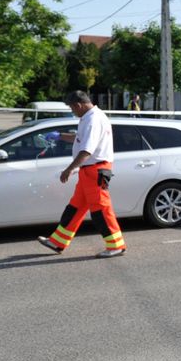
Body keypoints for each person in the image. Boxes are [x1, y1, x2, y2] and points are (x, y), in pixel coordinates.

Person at [37, 91, 126, 258]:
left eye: (72, 108)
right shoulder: (90, 117)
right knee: (75, 208)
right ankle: (57, 242)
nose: (73, 112)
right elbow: (80, 139)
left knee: (100, 210)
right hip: (90, 171)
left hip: (95, 170)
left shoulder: (93, 120)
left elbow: (86, 150)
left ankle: (116, 246)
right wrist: (60, 136)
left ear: (79, 105)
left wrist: (69, 169)